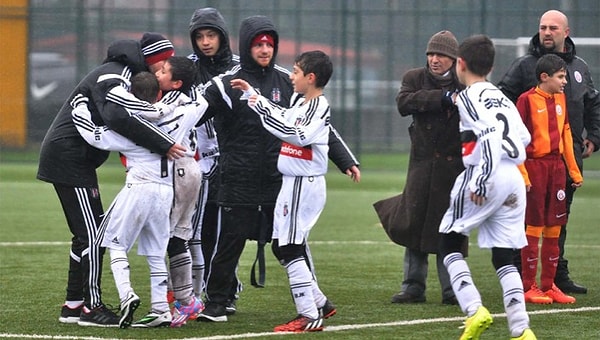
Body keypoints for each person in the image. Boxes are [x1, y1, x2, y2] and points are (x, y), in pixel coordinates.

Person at [195, 15, 360, 323]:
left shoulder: (288, 81)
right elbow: (193, 116)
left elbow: (320, 127)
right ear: (246, 47)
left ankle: (316, 301)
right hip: (237, 180)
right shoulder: (223, 84)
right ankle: (217, 302)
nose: (264, 50)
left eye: (269, 45)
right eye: (258, 44)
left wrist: (346, 160)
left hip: (278, 181)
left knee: (288, 244)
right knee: (229, 242)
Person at [37, 32, 185, 327]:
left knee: (86, 233)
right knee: (93, 235)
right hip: (69, 159)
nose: (163, 68)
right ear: (150, 59)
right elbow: (116, 115)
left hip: (75, 160)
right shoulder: (115, 74)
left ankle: (73, 304)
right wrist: (163, 143)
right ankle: (91, 309)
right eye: (162, 61)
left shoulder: (123, 73)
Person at [71, 58, 207, 329]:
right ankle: (160, 309)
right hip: (166, 191)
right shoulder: (181, 114)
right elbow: (200, 103)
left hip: (139, 187)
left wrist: (79, 108)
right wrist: (178, 100)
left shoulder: (130, 125)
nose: (160, 71)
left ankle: (127, 295)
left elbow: (95, 135)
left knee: (114, 243)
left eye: (165, 70)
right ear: (159, 93)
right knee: (157, 251)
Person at [438, 35, 536, 340]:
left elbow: (491, 135)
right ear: (492, 67)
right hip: (513, 177)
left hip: (485, 173)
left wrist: (482, 178)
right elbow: (523, 137)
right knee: (503, 254)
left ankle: (474, 309)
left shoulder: (468, 96)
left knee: (448, 241)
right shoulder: (502, 97)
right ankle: (521, 329)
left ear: (460, 64)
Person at [232, 50, 336, 332]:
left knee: (288, 247)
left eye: (296, 72)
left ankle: (308, 315)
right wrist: (255, 96)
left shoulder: (318, 106)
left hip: (304, 183)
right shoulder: (303, 103)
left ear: (310, 78)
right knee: (285, 245)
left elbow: (296, 134)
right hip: (292, 183)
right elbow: (285, 117)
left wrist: (260, 107)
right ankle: (320, 304)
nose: (291, 76)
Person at [497, 9, 600, 294]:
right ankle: (519, 275)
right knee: (526, 218)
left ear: (565, 32)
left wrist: (594, 136)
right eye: (543, 27)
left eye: (553, 27)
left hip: (567, 158)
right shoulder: (523, 66)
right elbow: (501, 100)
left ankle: (556, 275)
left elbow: (593, 103)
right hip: (530, 162)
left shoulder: (579, 67)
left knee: (559, 218)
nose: (546, 32)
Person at [382, 30, 464, 306]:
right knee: (413, 224)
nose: (434, 59)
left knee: (449, 229)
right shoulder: (414, 78)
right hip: (421, 164)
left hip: (454, 169)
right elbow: (404, 103)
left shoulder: (466, 82)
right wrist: (442, 99)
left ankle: (452, 289)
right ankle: (413, 286)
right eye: (431, 53)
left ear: (453, 59)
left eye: (440, 54)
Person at [516, 54, 581, 305]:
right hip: (534, 167)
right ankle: (528, 286)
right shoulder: (526, 100)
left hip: (556, 168)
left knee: (555, 227)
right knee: (534, 226)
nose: (565, 81)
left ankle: (548, 285)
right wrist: (522, 173)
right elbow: (516, 140)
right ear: (545, 77)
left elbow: (566, 135)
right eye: (561, 77)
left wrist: (573, 171)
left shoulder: (561, 100)